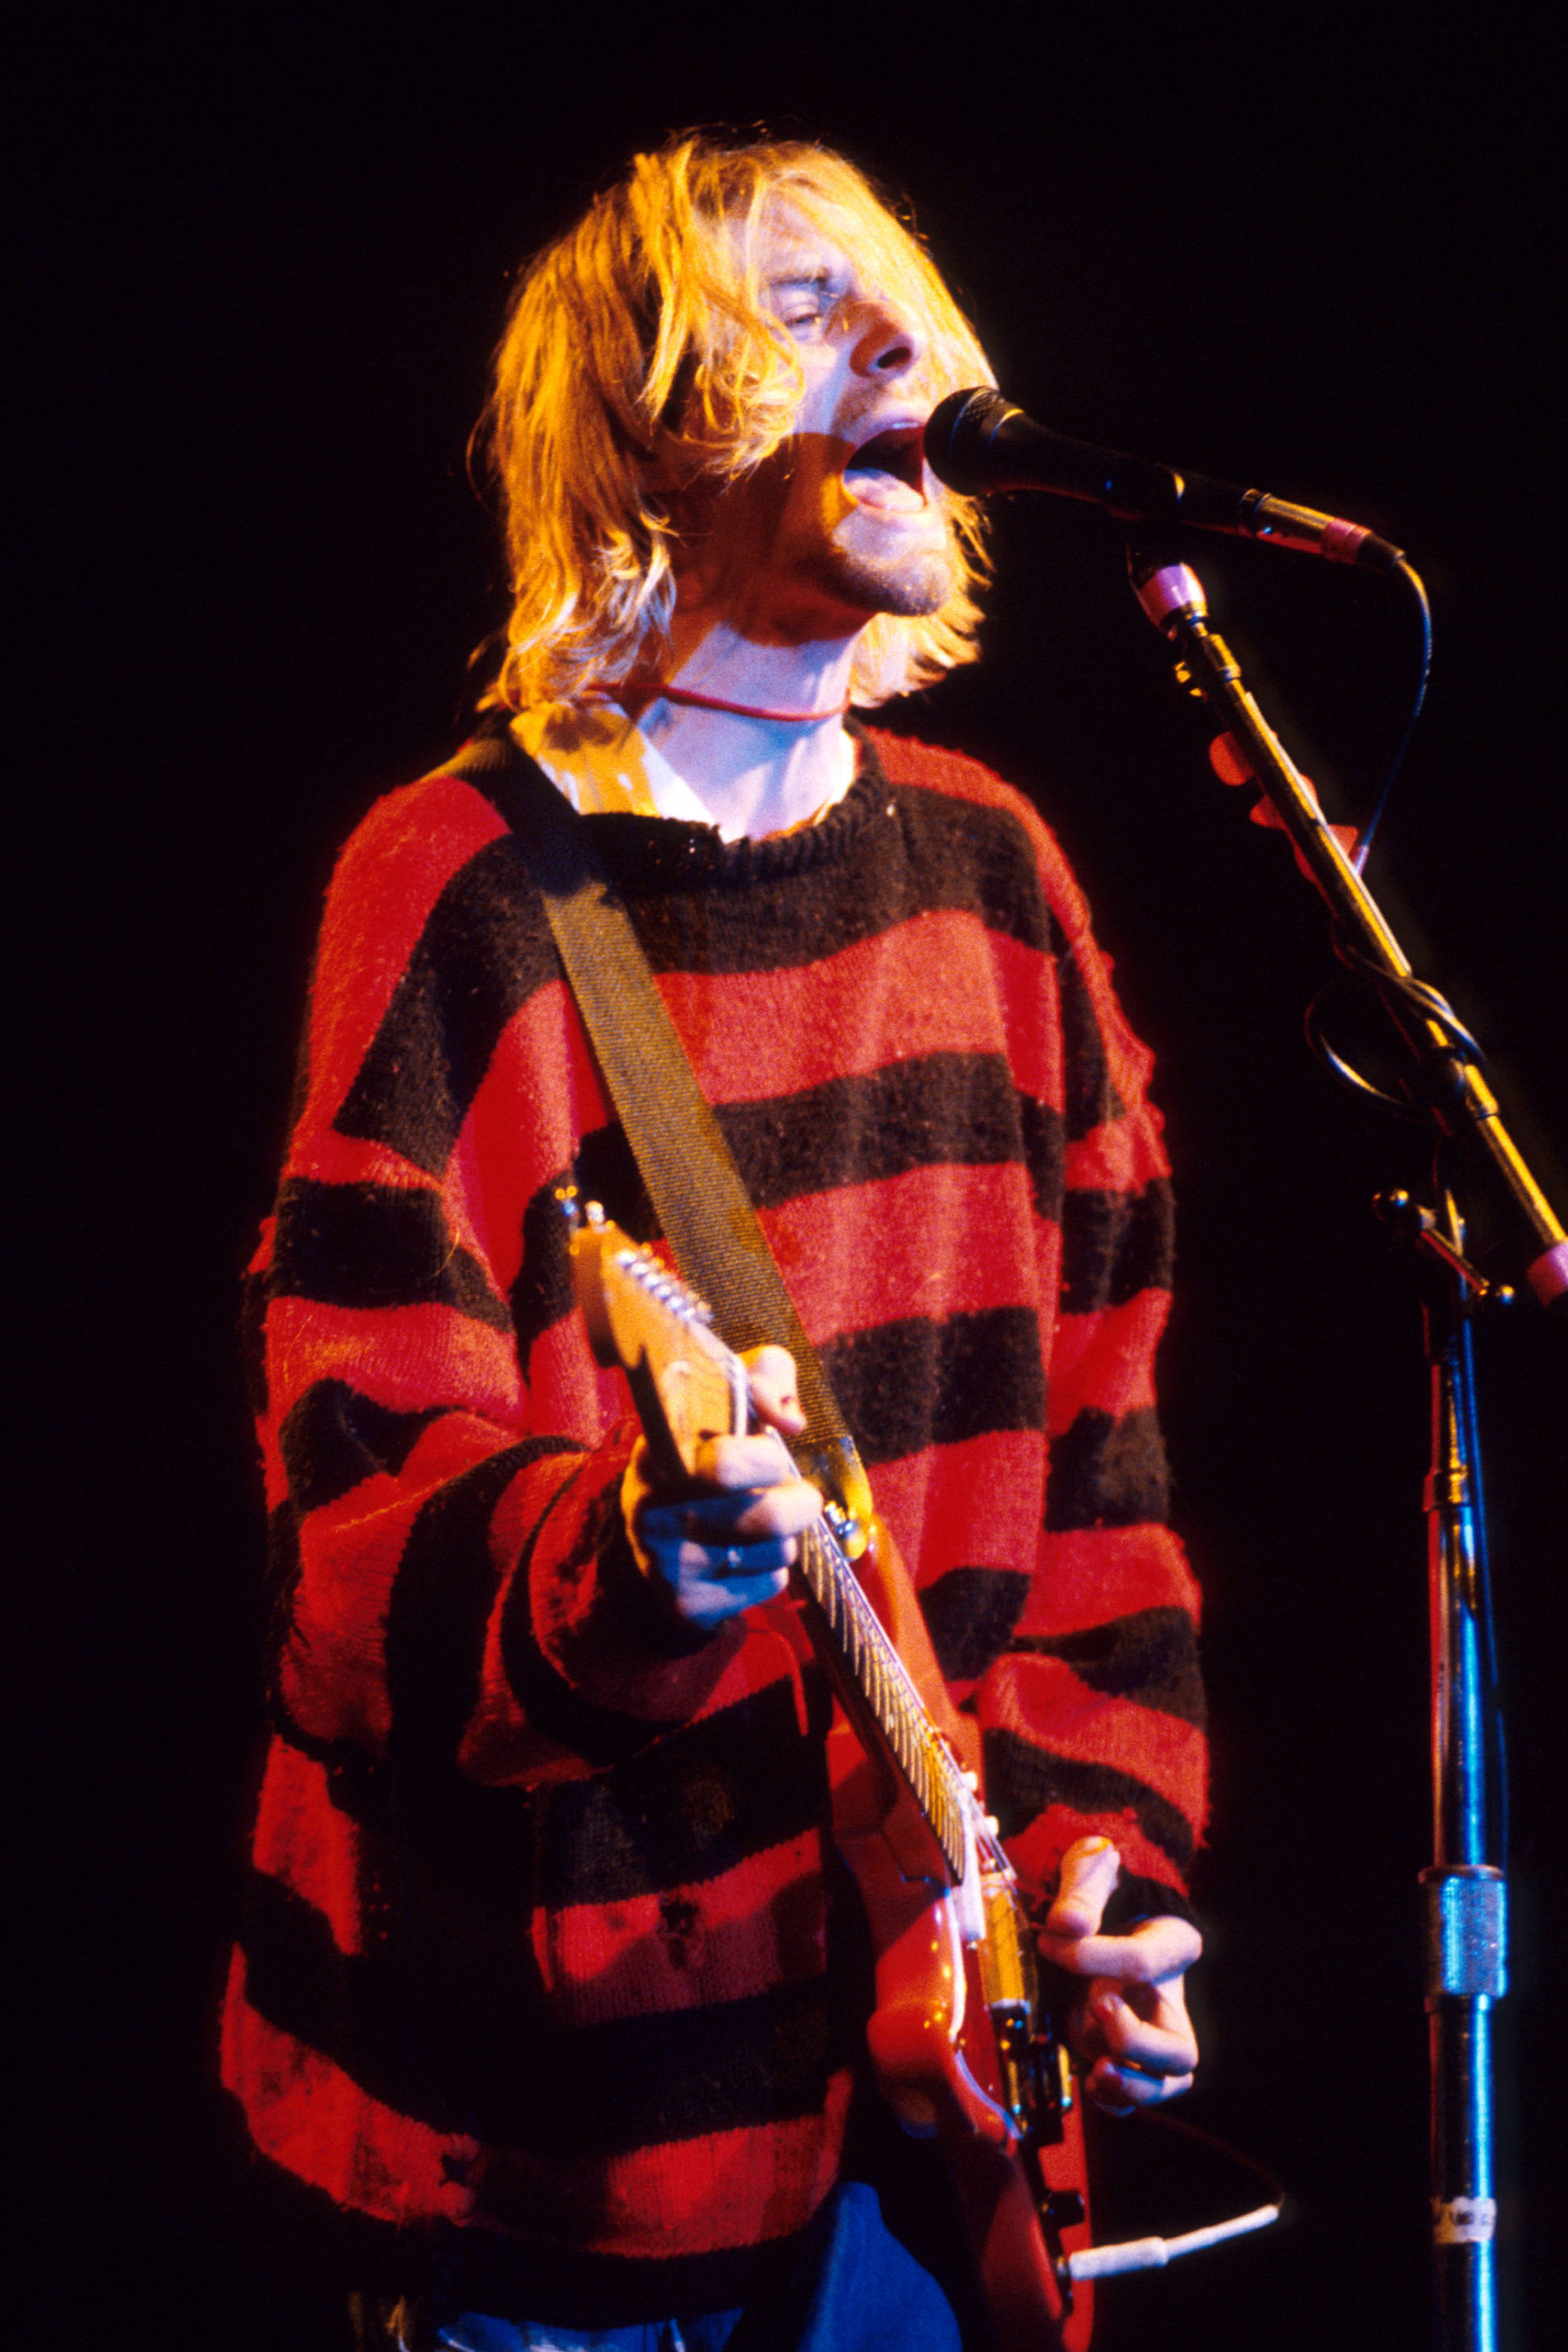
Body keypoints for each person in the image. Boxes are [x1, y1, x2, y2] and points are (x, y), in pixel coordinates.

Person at [221, 134, 1207, 2351]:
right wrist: (630, 1563)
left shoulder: (999, 878)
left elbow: (1108, 1503)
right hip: (566, 2154)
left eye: (908, 312)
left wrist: (1090, 1876)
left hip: (936, 2144)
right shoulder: (464, 886)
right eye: (800, 312)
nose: (898, 354)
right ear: (643, 446)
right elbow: (361, 1529)